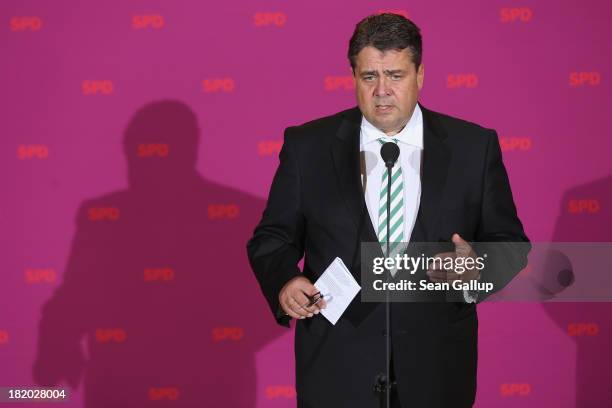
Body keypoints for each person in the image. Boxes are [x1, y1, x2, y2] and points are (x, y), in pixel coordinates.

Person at [247, 13, 530, 408]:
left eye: (395, 75)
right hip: (336, 368)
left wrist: (478, 267)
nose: (382, 91)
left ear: (420, 75)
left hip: (438, 371)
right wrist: (285, 283)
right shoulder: (307, 146)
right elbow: (272, 239)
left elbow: (511, 244)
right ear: (353, 77)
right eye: (369, 77)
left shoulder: (473, 147)